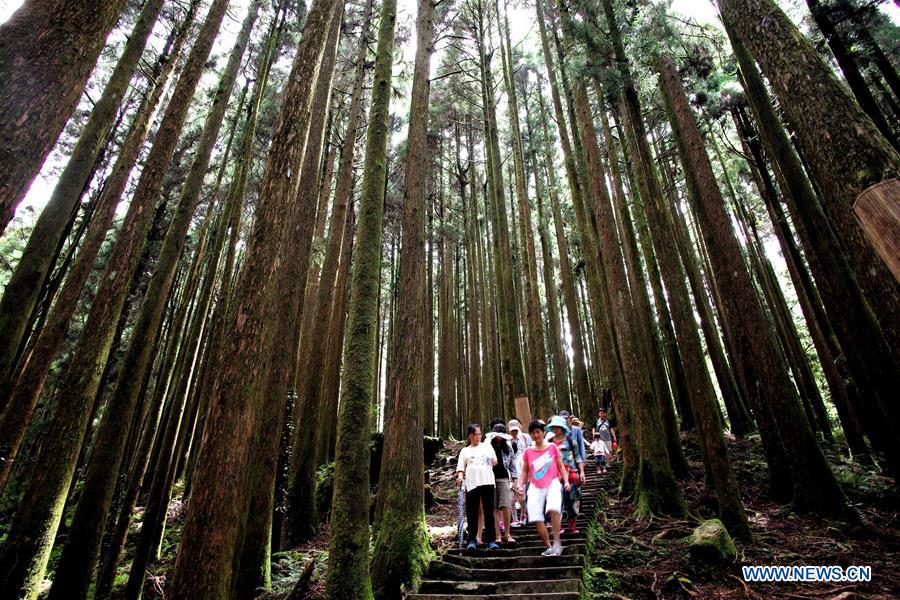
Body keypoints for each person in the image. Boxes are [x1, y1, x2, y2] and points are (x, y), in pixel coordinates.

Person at [517, 420, 569, 556]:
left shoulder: (552, 447)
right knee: (535, 516)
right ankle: (549, 546)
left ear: (543, 432)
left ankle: (557, 542)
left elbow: (561, 466)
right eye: (533, 433)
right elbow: (524, 470)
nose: (536, 435)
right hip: (535, 485)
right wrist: (520, 484)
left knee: (553, 508)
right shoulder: (528, 451)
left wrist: (567, 481)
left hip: (553, 482)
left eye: (538, 432)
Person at [456, 424, 499, 550]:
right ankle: (472, 540)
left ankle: (491, 539)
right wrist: (460, 477)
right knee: (472, 512)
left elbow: (495, 460)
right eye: (475, 434)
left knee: (488, 511)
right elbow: (460, 468)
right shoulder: (465, 451)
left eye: (480, 434)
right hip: (472, 483)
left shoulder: (487, 447)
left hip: (487, 481)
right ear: (470, 436)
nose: (478, 437)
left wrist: (494, 461)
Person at [545, 415, 584, 533]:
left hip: (571, 473)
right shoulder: (549, 443)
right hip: (554, 475)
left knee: (573, 499)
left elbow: (578, 457)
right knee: (557, 501)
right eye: (554, 427)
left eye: (558, 427)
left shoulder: (571, 441)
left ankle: (572, 525)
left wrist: (582, 472)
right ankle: (558, 526)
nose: (556, 429)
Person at [487, 423, 517, 543]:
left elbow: (512, 464)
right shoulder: (488, 446)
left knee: (506, 505)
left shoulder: (508, 447)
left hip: (504, 478)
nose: (499, 437)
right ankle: (498, 535)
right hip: (490, 479)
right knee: (494, 508)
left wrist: (514, 479)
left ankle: (507, 534)